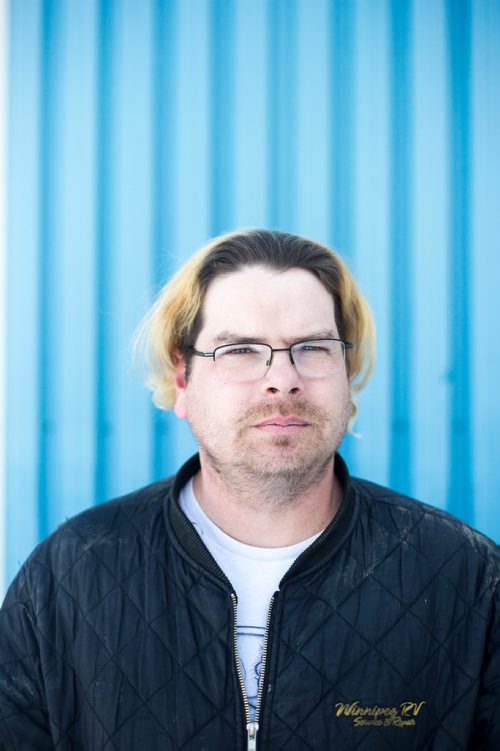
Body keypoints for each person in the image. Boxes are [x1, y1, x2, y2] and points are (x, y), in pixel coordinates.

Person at [0, 229, 498, 751]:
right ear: (183, 377)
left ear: (346, 374)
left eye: (312, 347)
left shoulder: (468, 579)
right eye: (239, 349)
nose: (282, 379)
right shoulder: (68, 578)